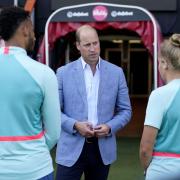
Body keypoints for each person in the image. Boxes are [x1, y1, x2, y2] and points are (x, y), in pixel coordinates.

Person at [55, 24, 132, 180]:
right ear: (78, 46)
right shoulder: (63, 73)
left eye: (95, 43)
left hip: (102, 148)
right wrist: (75, 125)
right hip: (71, 146)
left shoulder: (116, 73)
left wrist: (110, 127)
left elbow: (126, 110)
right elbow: (55, 111)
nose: (93, 49)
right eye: (87, 45)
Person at [0, 7, 61, 180]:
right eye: (33, 29)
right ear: (25, 29)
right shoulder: (43, 73)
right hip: (35, 169)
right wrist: (34, 151)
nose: (35, 35)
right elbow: (54, 133)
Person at [140, 34, 180, 180]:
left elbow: (146, 147)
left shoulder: (159, 95)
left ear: (164, 63)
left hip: (162, 169)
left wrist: (147, 170)